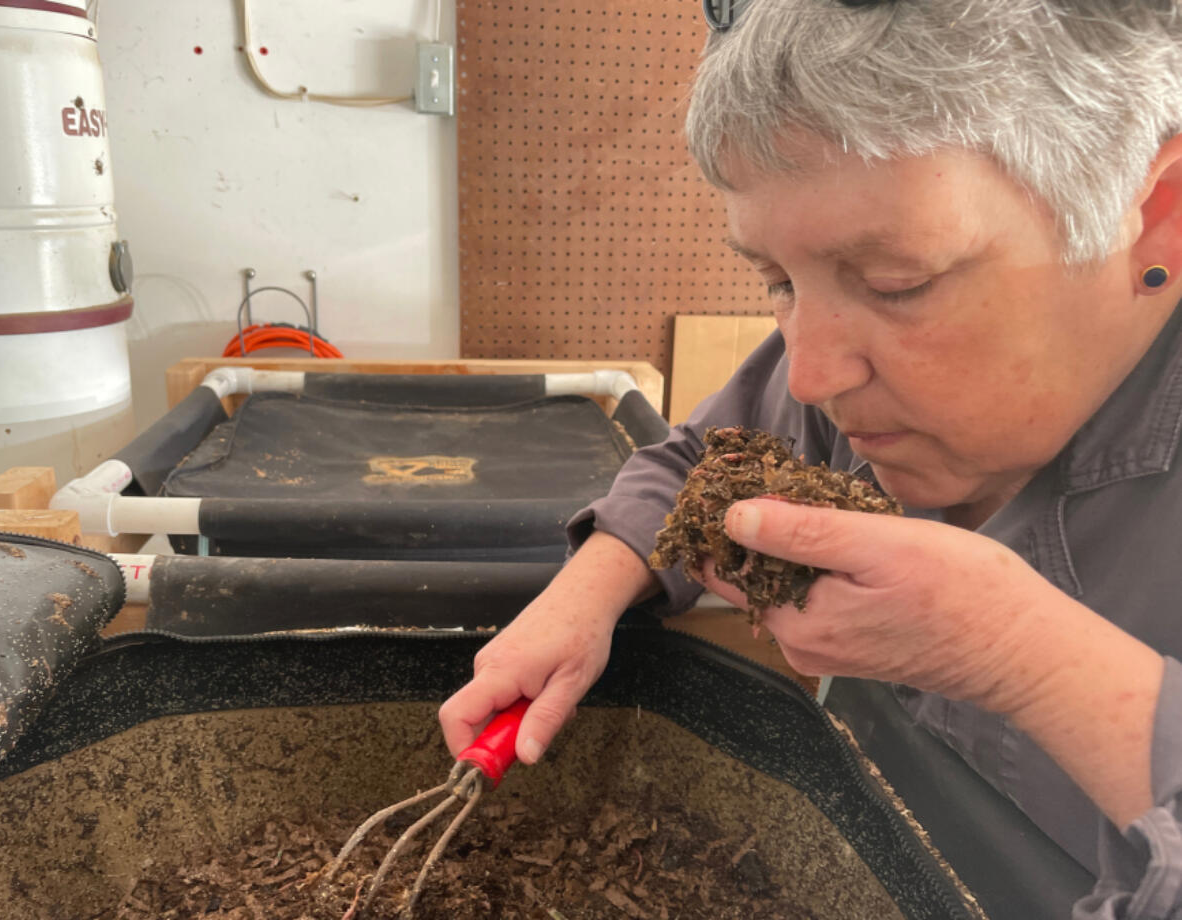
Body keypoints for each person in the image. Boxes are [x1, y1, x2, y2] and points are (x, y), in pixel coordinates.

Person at [440, 1, 1182, 916]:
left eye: (894, 284)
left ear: (1153, 218)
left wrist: (1013, 653)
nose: (814, 371)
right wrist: (587, 596)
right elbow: (697, 463)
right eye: (779, 282)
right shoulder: (842, 377)